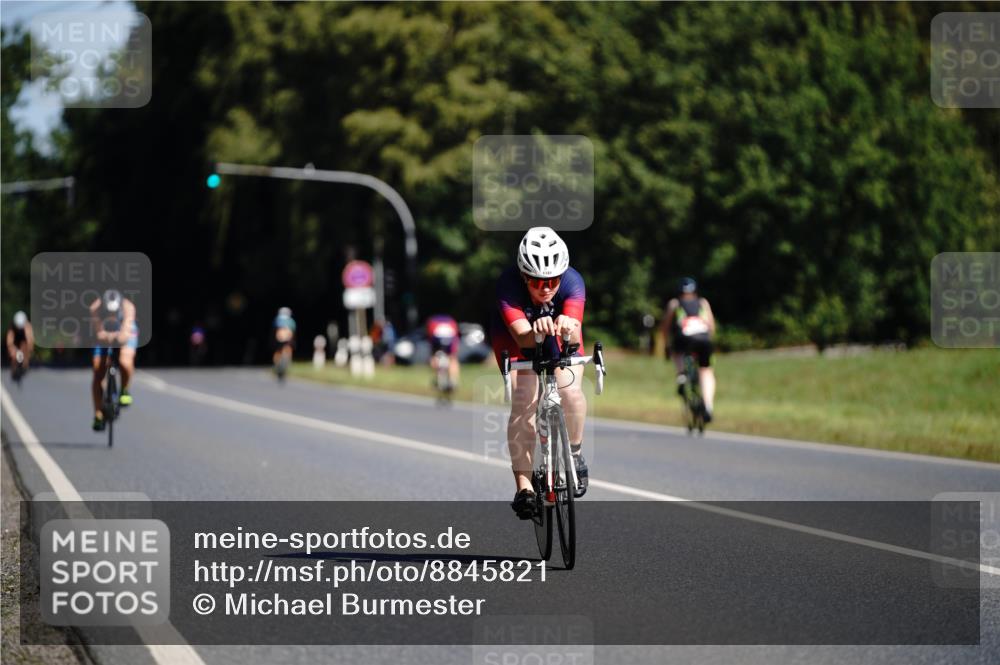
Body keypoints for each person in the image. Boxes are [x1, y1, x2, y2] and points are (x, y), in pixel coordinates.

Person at [492, 226, 588, 519]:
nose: (545, 288)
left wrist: (567, 327)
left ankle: (574, 454)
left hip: (559, 335)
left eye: (552, 280)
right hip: (516, 337)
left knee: (570, 392)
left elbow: (574, 336)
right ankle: (524, 488)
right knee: (524, 401)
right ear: (524, 276)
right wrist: (535, 331)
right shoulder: (508, 285)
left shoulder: (573, 282)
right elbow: (522, 337)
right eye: (536, 281)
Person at [662, 277, 717, 422]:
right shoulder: (703, 303)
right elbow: (711, 326)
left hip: (684, 338)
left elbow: (666, 327)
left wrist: (666, 345)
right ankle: (708, 406)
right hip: (704, 340)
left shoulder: (674, 303)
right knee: (706, 371)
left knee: (677, 351)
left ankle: (681, 375)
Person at [90, 289, 138, 431]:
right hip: (103, 333)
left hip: (125, 332)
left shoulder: (128, 307)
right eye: (108, 312)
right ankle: (98, 414)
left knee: (125, 362)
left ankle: (124, 389)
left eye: (114, 312)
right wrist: (106, 337)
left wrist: (117, 337)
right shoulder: (95, 308)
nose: (111, 314)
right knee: (98, 369)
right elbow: (99, 334)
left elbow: (124, 337)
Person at [426, 314, 460, 392]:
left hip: (436, 334)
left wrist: (432, 354)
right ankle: (453, 380)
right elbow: (456, 337)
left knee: (434, 356)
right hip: (451, 334)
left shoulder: (432, 322)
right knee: (453, 358)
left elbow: (430, 339)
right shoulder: (451, 322)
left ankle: (438, 379)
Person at [6, 311, 34, 378]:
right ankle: (14, 367)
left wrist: (29, 349)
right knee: (13, 353)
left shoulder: (27, 326)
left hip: (23, 341)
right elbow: (9, 340)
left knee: (26, 349)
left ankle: (25, 365)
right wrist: (11, 348)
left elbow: (30, 339)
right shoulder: (12, 326)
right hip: (15, 340)